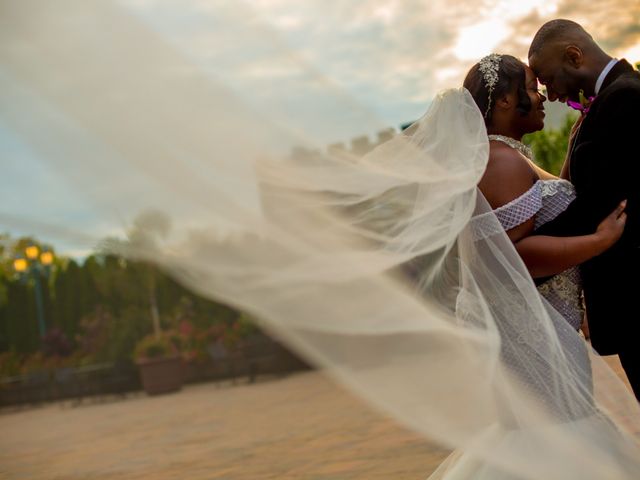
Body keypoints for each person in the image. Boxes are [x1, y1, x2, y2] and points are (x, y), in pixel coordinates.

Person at [463, 53, 626, 332]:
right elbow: (516, 256)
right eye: (531, 88)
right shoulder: (502, 160)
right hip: (528, 333)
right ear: (504, 100)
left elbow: (543, 219)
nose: (543, 98)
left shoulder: (503, 155)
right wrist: (600, 240)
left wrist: (570, 156)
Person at [528, 19, 640, 400]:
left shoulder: (623, 99)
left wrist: (516, 257)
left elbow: (594, 206)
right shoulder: (610, 100)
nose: (551, 95)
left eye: (548, 80)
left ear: (573, 56)